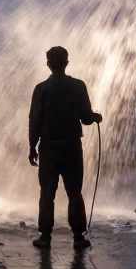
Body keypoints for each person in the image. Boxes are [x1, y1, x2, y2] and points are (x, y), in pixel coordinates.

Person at [28, 46, 102, 250]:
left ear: (48, 64)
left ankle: (45, 237)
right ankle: (78, 237)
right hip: (72, 148)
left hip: (48, 148)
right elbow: (86, 118)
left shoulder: (41, 89)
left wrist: (32, 147)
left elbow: (34, 121)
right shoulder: (78, 86)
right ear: (67, 63)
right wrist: (95, 117)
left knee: (47, 193)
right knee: (74, 192)